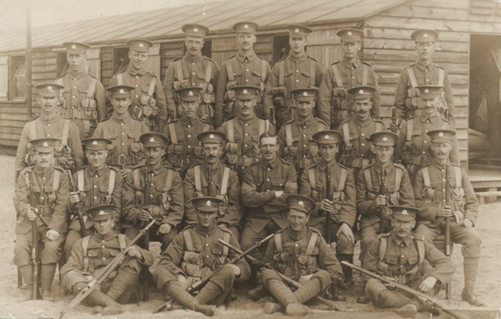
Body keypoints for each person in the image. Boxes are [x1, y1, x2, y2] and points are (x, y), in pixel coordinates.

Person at [414, 129, 484, 306]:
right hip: (429, 223)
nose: (441, 150)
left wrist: (469, 218)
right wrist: (437, 211)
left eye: (444, 146)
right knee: (418, 241)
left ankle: (469, 292)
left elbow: (472, 202)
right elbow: (415, 204)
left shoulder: (460, 172)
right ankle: (432, 284)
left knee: (474, 239)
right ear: (431, 147)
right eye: (437, 146)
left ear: (450, 147)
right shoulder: (423, 173)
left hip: (454, 222)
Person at [153, 197, 250, 316]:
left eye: (210, 213)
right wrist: (179, 275)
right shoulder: (185, 235)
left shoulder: (227, 236)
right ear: (196, 213)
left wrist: (238, 270)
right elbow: (165, 261)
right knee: (160, 270)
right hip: (187, 291)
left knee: (228, 271)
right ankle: (196, 306)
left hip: (215, 295)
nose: (206, 217)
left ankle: (190, 305)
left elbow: (245, 267)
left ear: (216, 214)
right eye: (202, 213)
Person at [61, 204, 154, 316]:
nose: (102, 225)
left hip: (119, 291)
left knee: (134, 261)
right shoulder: (83, 243)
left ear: (112, 222)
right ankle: (111, 304)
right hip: (92, 292)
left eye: (105, 221)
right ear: (94, 224)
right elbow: (68, 268)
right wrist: (86, 276)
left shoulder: (122, 240)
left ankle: (108, 301)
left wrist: (138, 253)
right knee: (69, 275)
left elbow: (150, 259)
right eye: (98, 222)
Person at [364, 206, 455, 318]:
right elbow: (366, 273)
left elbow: (447, 264)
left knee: (434, 276)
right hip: (390, 291)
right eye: (399, 222)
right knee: (371, 285)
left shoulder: (420, 243)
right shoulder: (380, 242)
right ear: (393, 222)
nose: (402, 227)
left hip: (414, 288)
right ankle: (419, 305)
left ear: (413, 224)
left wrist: (433, 278)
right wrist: (382, 279)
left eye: (406, 223)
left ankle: (412, 306)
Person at [355, 131, 414, 304]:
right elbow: (359, 205)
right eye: (380, 149)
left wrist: (394, 211)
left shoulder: (400, 172)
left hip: (394, 219)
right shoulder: (364, 173)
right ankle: (368, 285)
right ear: (373, 149)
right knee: (368, 241)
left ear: (392, 150)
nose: (383, 153)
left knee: (401, 239)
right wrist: (374, 203)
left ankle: (400, 280)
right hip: (371, 219)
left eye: (387, 149)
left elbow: (409, 202)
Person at [260, 195, 344, 316]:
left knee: (324, 275)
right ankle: (294, 304)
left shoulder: (316, 238)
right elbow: (268, 267)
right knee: (267, 273)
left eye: (300, 217)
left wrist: (311, 277)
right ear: (287, 216)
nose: (296, 221)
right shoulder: (277, 238)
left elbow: (336, 271)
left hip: (310, 290)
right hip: (283, 289)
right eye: (293, 217)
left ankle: (282, 305)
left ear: (307, 218)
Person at [240, 132, 297, 300]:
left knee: (292, 245)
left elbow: (289, 199)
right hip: (258, 219)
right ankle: (268, 273)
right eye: (264, 145)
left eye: (271, 145)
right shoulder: (251, 170)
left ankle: (275, 279)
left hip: (281, 219)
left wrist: (262, 198)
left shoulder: (288, 169)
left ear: (278, 147)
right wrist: (274, 194)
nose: (268, 149)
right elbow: (248, 199)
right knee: (245, 246)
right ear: (259, 147)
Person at [299, 130, 356, 295]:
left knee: (345, 240)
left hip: (338, 219)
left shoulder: (346, 173)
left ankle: (345, 277)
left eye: (331, 147)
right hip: (316, 221)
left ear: (337, 148)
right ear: (318, 149)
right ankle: (319, 276)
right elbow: (303, 203)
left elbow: (350, 203)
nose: (327, 152)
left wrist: (345, 223)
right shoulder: (308, 173)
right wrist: (318, 206)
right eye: (323, 148)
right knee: (313, 241)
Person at [14, 137, 69, 301]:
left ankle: (45, 290)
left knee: (52, 247)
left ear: (53, 155)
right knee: (20, 248)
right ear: (34, 155)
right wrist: (26, 210)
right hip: (29, 223)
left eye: (48, 153)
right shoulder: (25, 175)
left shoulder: (61, 176)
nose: (44, 158)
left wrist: (54, 228)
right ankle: (32, 289)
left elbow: (62, 206)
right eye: (40, 154)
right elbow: (19, 200)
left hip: (51, 223)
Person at [63, 137, 123, 264]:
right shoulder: (77, 175)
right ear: (86, 154)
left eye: (100, 153)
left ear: (106, 153)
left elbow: (117, 207)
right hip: (83, 222)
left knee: (115, 246)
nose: (96, 158)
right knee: (70, 245)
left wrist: (111, 224)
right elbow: (70, 209)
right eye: (92, 153)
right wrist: (72, 203)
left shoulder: (115, 176)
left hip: (107, 223)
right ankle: (72, 277)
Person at [121, 132, 183, 252]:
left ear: (163, 152)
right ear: (144, 152)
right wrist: (137, 215)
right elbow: (126, 207)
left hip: (162, 222)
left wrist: (169, 223)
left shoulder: (172, 176)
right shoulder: (134, 175)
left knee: (172, 240)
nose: (151, 154)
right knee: (129, 242)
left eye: (155, 150)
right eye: (148, 150)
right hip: (138, 224)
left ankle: (166, 269)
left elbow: (178, 207)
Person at [15, 83, 85, 176]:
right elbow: (20, 162)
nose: (48, 102)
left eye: (52, 98)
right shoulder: (29, 127)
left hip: (62, 185)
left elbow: (79, 162)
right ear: (38, 100)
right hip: (35, 183)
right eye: (45, 98)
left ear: (59, 101)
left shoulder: (69, 126)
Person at [264, 24, 324, 131]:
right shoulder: (279, 66)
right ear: (289, 41)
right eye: (294, 39)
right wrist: (271, 121)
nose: (296, 43)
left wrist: (322, 121)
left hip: (310, 121)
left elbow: (323, 96)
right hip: (284, 120)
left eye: (300, 39)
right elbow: (268, 96)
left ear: (306, 41)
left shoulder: (315, 66)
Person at [394, 85, 459, 183]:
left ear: (439, 101)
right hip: (411, 178)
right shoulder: (409, 124)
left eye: (432, 100)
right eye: (424, 100)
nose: (428, 104)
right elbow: (396, 156)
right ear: (419, 101)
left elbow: (454, 160)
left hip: (436, 179)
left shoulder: (446, 127)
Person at [183, 131, 242, 238]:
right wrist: (197, 224)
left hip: (223, 222)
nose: (211, 153)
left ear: (221, 150)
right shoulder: (192, 173)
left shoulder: (231, 175)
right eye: (207, 149)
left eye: (214, 148)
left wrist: (224, 223)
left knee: (232, 240)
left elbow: (235, 206)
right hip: (198, 222)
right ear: (202, 151)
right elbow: (188, 205)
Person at [393, 30, 455, 129]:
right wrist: (399, 126)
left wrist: (451, 129)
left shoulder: (442, 73)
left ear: (433, 48)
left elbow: (450, 105)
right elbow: (399, 105)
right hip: (413, 128)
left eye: (428, 44)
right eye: (421, 45)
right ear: (415, 48)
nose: (425, 48)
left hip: (438, 128)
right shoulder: (407, 73)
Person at [318, 28, 380, 127]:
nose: (349, 48)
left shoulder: (368, 70)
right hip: (339, 125)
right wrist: (327, 125)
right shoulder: (332, 70)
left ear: (359, 46)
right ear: (341, 46)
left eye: (352, 44)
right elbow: (323, 101)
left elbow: (376, 100)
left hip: (363, 125)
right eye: (346, 44)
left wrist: (374, 125)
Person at [215, 22, 272, 127]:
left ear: (254, 39)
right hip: (232, 121)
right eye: (242, 36)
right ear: (237, 39)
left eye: (249, 36)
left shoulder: (264, 65)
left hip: (258, 120)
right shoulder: (227, 65)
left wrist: (269, 123)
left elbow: (268, 98)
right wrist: (219, 125)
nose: (246, 40)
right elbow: (219, 100)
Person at [107, 38, 167, 132]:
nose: (139, 59)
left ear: (147, 57)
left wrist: (158, 132)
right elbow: (108, 107)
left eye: (143, 56)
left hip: (147, 130)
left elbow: (163, 110)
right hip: (121, 130)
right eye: (136, 55)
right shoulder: (118, 78)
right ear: (129, 55)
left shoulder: (153, 80)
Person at [163, 24, 219, 125]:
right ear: (185, 42)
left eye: (197, 42)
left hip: (205, 118)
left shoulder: (211, 66)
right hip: (180, 119)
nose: (194, 45)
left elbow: (218, 95)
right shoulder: (174, 65)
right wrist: (173, 112)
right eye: (190, 41)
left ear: (202, 44)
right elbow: (167, 93)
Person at [217, 85, 274, 180]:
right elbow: (219, 157)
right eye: (242, 101)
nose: (245, 105)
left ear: (255, 101)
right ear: (236, 102)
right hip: (232, 176)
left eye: (249, 101)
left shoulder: (266, 126)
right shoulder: (226, 126)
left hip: (259, 177)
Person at [93, 85, 149, 179]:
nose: (121, 104)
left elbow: (150, 154)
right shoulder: (102, 127)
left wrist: (134, 170)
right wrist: (110, 171)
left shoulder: (140, 126)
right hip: (109, 175)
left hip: (135, 175)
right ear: (112, 101)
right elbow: (93, 155)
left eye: (124, 100)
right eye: (117, 100)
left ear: (129, 102)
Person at [55, 42, 106, 138]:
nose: (74, 60)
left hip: (87, 137)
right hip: (62, 136)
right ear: (67, 57)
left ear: (84, 57)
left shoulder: (95, 83)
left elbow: (102, 118)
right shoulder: (58, 83)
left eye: (78, 56)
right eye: (71, 56)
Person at [277, 88, 328, 180]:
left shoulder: (322, 128)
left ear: (314, 104)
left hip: (317, 178)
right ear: (295, 104)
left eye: (308, 103)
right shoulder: (286, 129)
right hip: (291, 178)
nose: (304, 107)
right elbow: (278, 158)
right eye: (300, 103)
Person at [162, 87, 212, 178]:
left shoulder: (207, 128)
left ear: (198, 103)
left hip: (200, 177)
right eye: (186, 103)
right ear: (180, 103)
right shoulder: (170, 128)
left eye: (193, 103)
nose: (189, 107)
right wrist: (170, 172)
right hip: (174, 176)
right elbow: (161, 156)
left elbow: (212, 157)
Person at [337, 86, 385, 179]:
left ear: (371, 105)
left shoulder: (379, 127)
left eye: (365, 104)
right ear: (353, 105)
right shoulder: (344, 127)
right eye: (358, 104)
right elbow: (336, 155)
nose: (362, 108)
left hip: (373, 175)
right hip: (350, 176)